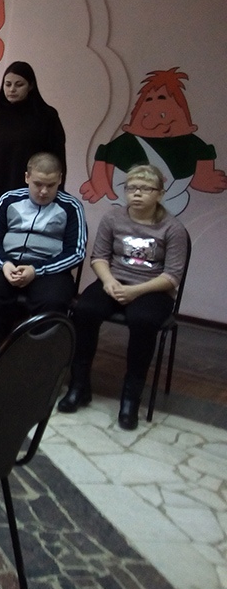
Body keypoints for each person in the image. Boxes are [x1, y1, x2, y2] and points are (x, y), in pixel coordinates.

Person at [61, 164, 188, 430]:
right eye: (132, 188)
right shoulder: (113, 218)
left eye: (145, 189)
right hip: (114, 280)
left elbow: (172, 276)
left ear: (160, 194)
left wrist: (135, 291)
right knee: (85, 310)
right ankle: (79, 385)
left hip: (152, 288)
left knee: (143, 320)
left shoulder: (172, 228)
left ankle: (130, 399)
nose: (137, 193)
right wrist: (109, 282)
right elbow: (99, 257)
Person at [0, 152, 86, 369]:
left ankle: (39, 370)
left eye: (50, 185)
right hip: (7, 263)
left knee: (54, 301)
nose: (43, 191)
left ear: (60, 180)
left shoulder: (72, 206)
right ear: (27, 177)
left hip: (49, 269)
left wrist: (36, 270)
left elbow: (76, 252)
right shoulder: (8, 199)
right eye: (38, 184)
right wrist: (4, 263)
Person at [0, 61, 67, 242]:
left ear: (31, 86)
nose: (12, 89)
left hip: (33, 201)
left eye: (19, 84)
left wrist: (56, 195)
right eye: (8, 84)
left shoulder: (47, 117)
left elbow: (57, 161)